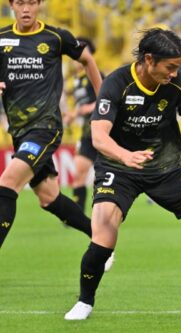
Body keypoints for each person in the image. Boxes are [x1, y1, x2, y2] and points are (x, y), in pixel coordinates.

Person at [64, 28, 181, 320]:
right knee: (103, 236)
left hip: (166, 167)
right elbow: (99, 137)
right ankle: (85, 301)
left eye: (178, 68)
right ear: (149, 59)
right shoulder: (116, 84)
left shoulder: (179, 85)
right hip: (119, 168)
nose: (175, 74)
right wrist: (125, 155)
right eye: (170, 67)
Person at [0, 1, 104, 250]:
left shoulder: (56, 37)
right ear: (12, 5)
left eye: (31, 3)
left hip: (46, 128)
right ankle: (101, 238)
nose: (26, 8)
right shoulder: (2, 38)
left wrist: (103, 105)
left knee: (7, 183)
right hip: (19, 131)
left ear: (39, 5)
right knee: (48, 198)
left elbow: (88, 60)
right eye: (20, 2)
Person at [65, 37, 102, 211]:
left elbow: (106, 101)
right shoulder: (77, 79)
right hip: (88, 132)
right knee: (79, 172)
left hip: (103, 131)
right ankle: (76, 214)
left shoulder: (96, 75)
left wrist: (81, 110)